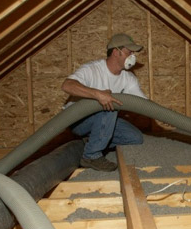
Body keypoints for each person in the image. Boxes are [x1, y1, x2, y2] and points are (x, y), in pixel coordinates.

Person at [62, 33, 147, 172]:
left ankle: (91, 142)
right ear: (116, 52)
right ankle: (91, 156)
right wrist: (97, 94)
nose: (133, 56)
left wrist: (166, 115)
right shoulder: (92, 69)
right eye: (129, 52)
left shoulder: (128, 78)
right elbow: (67, 85)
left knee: (135, 138)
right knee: (109, 106)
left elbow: (143, 103)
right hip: (78, 120)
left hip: (103, 119)